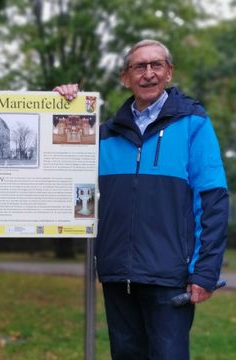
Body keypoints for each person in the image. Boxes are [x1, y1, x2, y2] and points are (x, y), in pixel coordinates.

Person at [54, 39, 228, 359]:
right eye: (139, 66)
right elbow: (59, 165)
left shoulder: (193, 124)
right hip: (117, 272)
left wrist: (204, 272)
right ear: (125, 77)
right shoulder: (105, 133)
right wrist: (61, 106)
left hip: (169, 276)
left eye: (156, 65)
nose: (148, 73)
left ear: (169, 73)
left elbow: (213, 200)